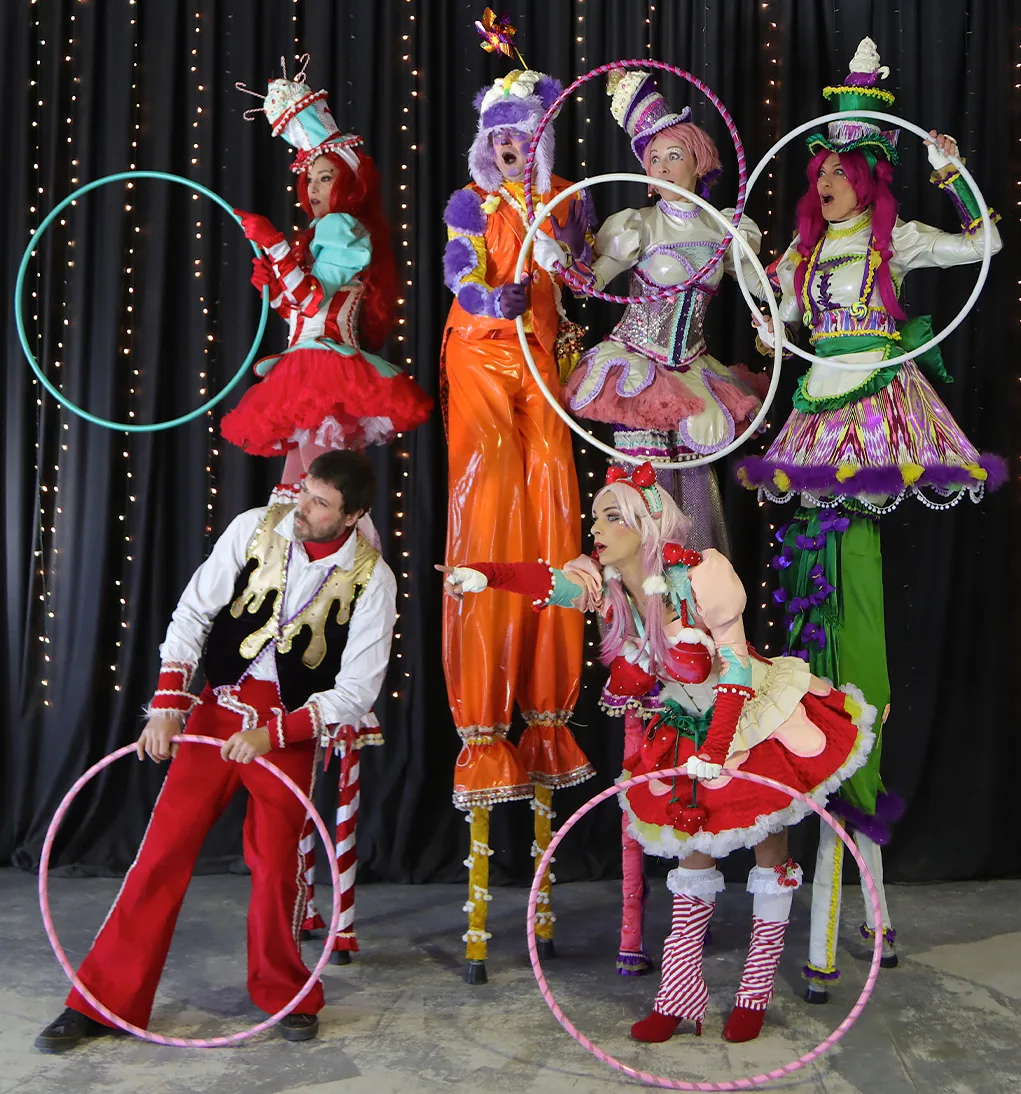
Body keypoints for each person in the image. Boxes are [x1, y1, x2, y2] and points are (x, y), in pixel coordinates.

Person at [736, 38, 1003, 1000]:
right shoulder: (802, 251)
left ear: (868, 178)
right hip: (816, 409)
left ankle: (854, 740)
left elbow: (985, 245)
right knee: (813, 585)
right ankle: (827, 726)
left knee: (854, 598)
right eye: (820, 170)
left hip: (875, 410)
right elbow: (773, 319)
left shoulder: (897, 240)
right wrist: (752, 282)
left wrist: (953, 173)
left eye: (842, 170)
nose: (828, 181)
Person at [441, 462, 875, 1042]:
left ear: (645, 525)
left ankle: (754, 990)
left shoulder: (700, 575)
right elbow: (549, 581)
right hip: (685, 725)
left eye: (611, 517)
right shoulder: (607, 584)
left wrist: (718, 748)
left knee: (770, 848)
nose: (596, 528)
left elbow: (735, 668)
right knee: (692, 855)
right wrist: (484, 574)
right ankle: (679, 995)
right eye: (595, 517)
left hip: (749, 716)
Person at [35, 451, 397, 1052]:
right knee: (161, 852)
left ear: (353, 515)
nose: (302, 507)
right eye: (305, 492)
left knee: (277, 867)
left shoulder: (374, 578)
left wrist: (273, 736)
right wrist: (167, 704)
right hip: (217, 707)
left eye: (320, 503)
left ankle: (284, 993)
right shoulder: (255, 526)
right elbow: (193, 612)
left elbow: (358, 689)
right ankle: (101, 1001)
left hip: (289, 728)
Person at [440, 62, 595, 978]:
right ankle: (485, 709)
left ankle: (544, 704)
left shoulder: (563, 196)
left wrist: (563, 252)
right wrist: (492, 294)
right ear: (485, 141)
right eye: (499, 132)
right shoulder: (469, 202)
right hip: (481, 352)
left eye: (523, 133)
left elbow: (582, 268)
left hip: (542, 359)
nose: (510, 144)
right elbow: (462, 277)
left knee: (552, 503)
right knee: (490, 493)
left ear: (538, 139)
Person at [562, 70, 767, 556]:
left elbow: (763, 290)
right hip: (640, 364)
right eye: (653, 158)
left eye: (674, 155)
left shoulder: (727, 229)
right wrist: (568, 257)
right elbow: (592, 282)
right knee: (641, 483)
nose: (662, 166)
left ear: (699, 160)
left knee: (691, 480)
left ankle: (688, 590)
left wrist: (775, 320)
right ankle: (636, 588)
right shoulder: (639, 225)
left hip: (694, 368)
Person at [223, 60, 432, 478]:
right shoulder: (320, 232)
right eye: (310, 179)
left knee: (322, 490)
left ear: (349, 182)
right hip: (307, 367)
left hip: (327, 371)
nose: (313, 188)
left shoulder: (342, 227)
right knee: (305, 493)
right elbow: (297, 312)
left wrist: (274, 245)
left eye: (325, 178)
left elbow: (311, 299)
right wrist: (272, 289)